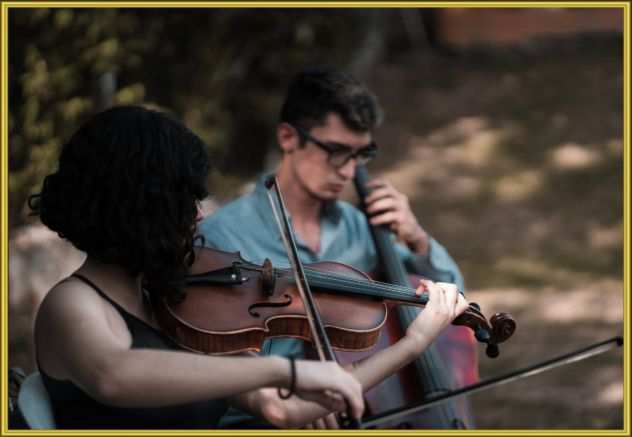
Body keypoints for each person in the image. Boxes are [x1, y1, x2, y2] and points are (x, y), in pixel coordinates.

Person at [29, 104, 466, 430]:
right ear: (140, 210)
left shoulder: (179, 305)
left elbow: (285, 408)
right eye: (184, 202)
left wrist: (411, 344)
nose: (199, 217)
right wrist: (283, 368)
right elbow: (114, 375)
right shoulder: (71, 304)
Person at [198, 67, 469, 428]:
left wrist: (416, 238)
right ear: (288, 137)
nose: (348, 170)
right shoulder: (222, 238)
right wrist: (292, 391)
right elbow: (211, 363)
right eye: (337, 151)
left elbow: (453, 301)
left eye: (360, 154)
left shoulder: (359, 227)